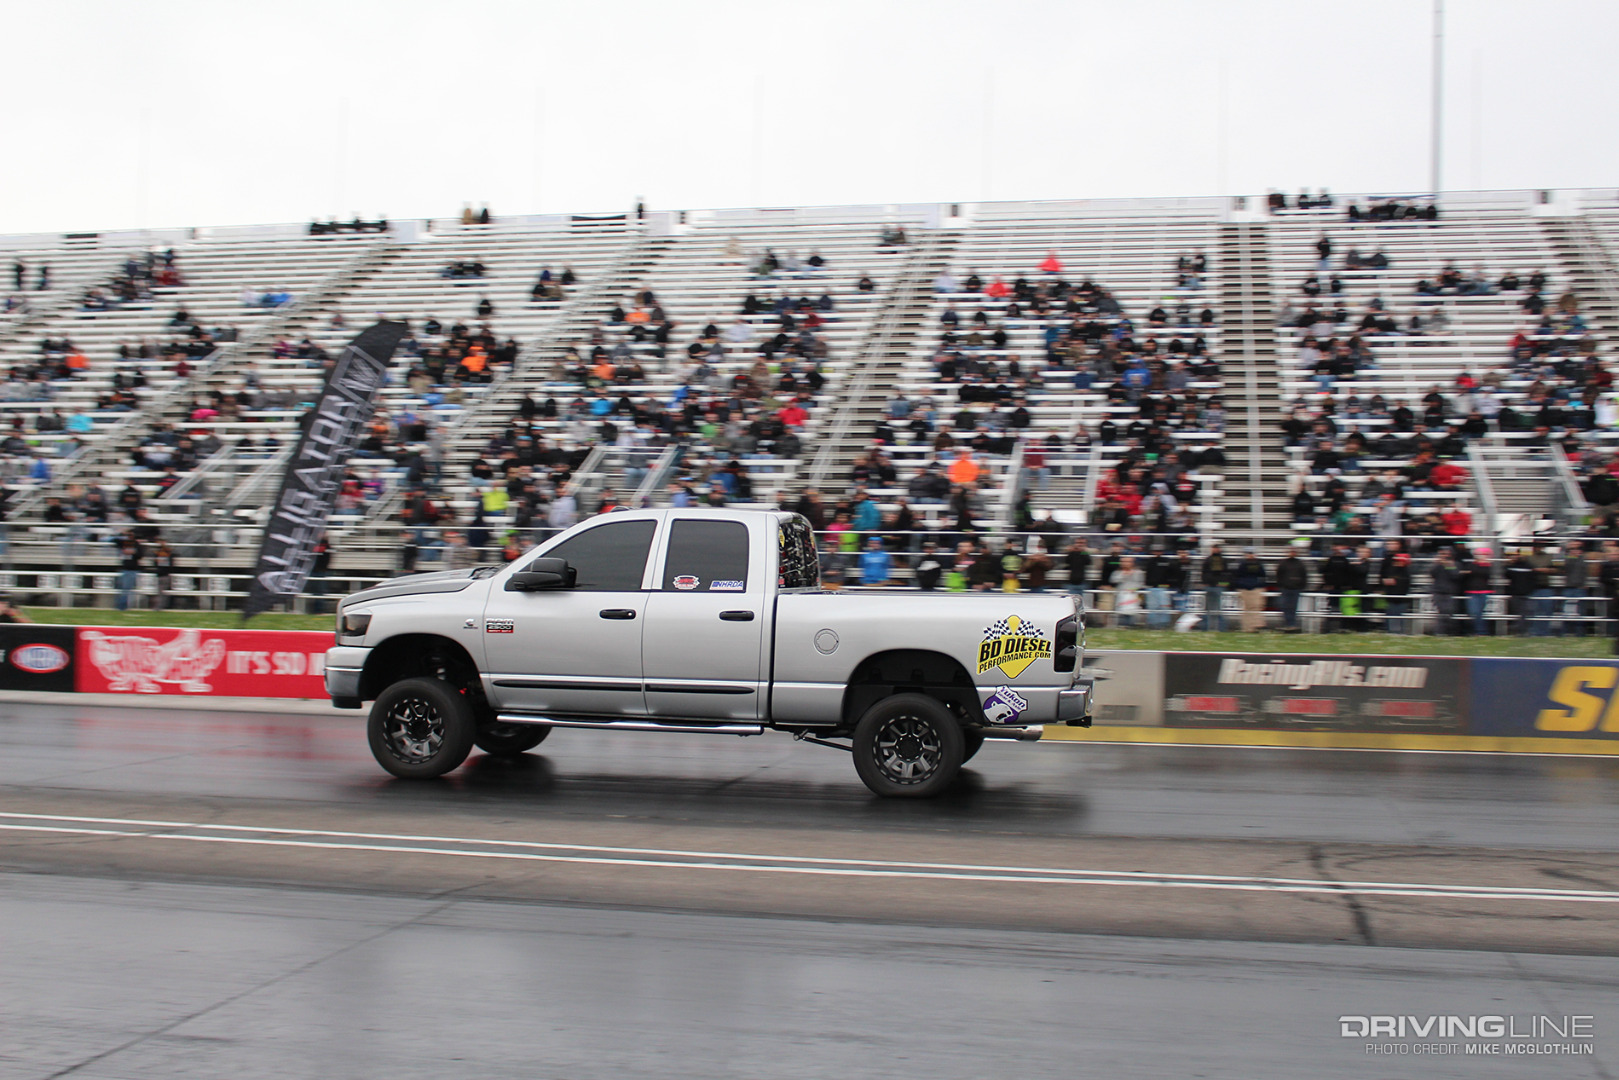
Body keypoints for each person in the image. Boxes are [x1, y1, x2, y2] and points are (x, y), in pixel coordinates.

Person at [1233, 547, 1268, 632]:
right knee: (1247, 608)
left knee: (1255, 607)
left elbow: (1262, 576)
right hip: (1246, 588)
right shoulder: (1242, 564)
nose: (1250, 555)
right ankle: (1248, 627)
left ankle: (1255, 626)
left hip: (1254, 588)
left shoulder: (1258, 564)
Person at [1275, 544, 1309, 632]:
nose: (1292, 553)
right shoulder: (1283, 563)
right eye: (1291, 551)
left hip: (1295, 589)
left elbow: (1304, 575)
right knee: (1285, 607)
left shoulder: (1300, 563)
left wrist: (1301, 585)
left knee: (1293, 607)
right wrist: (1281, 585)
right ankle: (1288, 624)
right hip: (1285, 588)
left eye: (1294, 552)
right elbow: (1279, 575)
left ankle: (1292, 624)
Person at [1199, 543, 1230, 631]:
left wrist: (1223, 583)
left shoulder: (1223, 561)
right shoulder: (1208, 560)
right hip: (1209, 586)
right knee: (1208, 609)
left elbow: (1226, 574)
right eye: (1213, 548)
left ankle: (1220, 628)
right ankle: (1206, 628)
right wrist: (1205, 582)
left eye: (1216, 548)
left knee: (1218, 609)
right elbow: (1204, 572)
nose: (1215, 550)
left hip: (1218, 587)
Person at [115, 538, 142, 611]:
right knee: (121, 588)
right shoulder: (124, 545)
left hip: (132, 570)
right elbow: (115, 540)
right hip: (124, 570)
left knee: (126, 589)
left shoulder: (136, 547)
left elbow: (140, 555)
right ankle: (119, 606)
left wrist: (135, 545)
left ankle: (122, 607)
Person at [152, 540, 177, 611]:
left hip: (164, 575)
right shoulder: (159, 553)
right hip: (161, 575)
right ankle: (161, 606)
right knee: (161, 592)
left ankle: (160, 606)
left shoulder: (167, 554)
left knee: (161, 592)